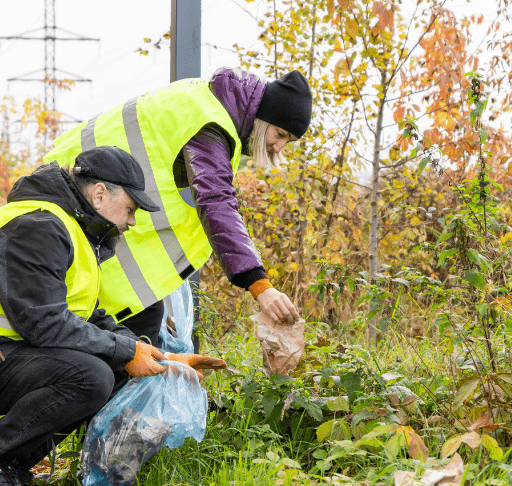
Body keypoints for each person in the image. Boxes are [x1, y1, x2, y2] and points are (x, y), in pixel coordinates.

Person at [0, 146, 216, 486]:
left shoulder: (67, 229)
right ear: (100, 194)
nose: (133, 221)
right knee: (90, 376)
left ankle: (8, 466)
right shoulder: (37, 225)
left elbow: (84, 316)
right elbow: (43, 323)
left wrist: (163, 357)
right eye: (132, 208)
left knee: (107, 367)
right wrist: (125, 352)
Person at [44, 68, 312, 344]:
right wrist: (259, 285)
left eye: (287, 142)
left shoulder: (204, 100)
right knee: (125, 332)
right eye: (279, 134)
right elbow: (216, 201)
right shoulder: (211, 123)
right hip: (78, 203)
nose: (278, 147)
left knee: (132, 326)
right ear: (261, 117)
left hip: (77, 197)